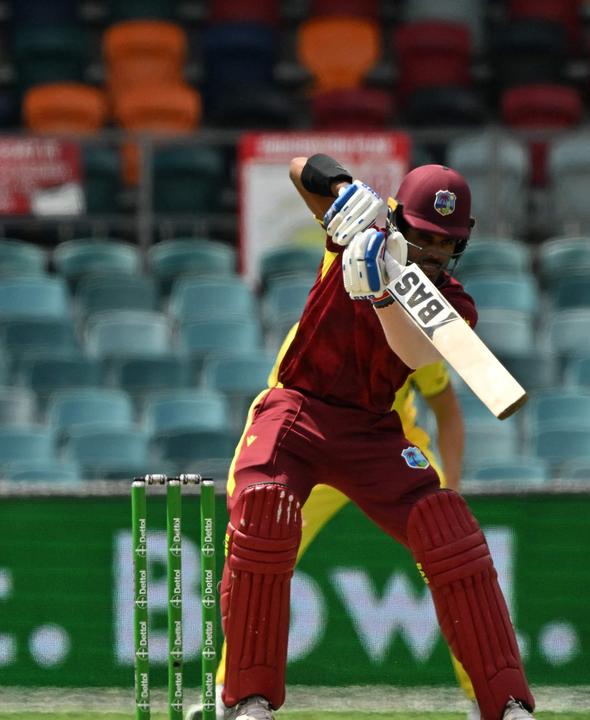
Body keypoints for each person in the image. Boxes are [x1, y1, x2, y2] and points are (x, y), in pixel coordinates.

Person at [217, 155, 535, 720]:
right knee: (263, 509)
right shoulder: (362, 230)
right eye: (425, 239)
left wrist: (384, 296)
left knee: (448, 528)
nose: (435, 254)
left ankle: (506, 704)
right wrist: (343, 190)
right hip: (299, 409)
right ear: (400, 220)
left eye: (447, 245)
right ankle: (248, 702)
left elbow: (414, 354)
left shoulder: (454, 302)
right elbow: (298, 169)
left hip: (372, 428)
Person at [207, 360, 480, 720]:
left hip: (393, 450)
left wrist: (452, 497)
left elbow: (447, 411)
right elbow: (270, 415)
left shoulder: (407, 331)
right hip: (313, 446)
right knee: (259, 562)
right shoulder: (309, 337)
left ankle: (485, 697)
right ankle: (234, 695)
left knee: (452, 558)